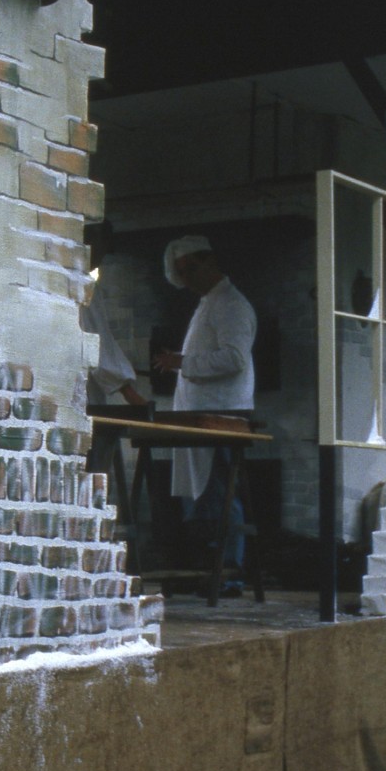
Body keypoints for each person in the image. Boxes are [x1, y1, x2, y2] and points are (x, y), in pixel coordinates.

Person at [152, 235, 255, 571]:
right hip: (199, 415)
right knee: (204, 496)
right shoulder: (209, 303)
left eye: (191, 269)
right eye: (182, 273)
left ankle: (228, 572)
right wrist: (181, 362)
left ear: (209, 261)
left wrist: (184, 363)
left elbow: (234, 359)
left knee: (219, 495)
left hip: (222, 414)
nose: (187, 279)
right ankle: (211, 569)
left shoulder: (231, 305)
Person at [81, 222, 147, 410]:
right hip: (81, 396)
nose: (102, 256)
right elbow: (97, 345)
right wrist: (131, 394)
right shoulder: (81, 286)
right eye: (102, 246)